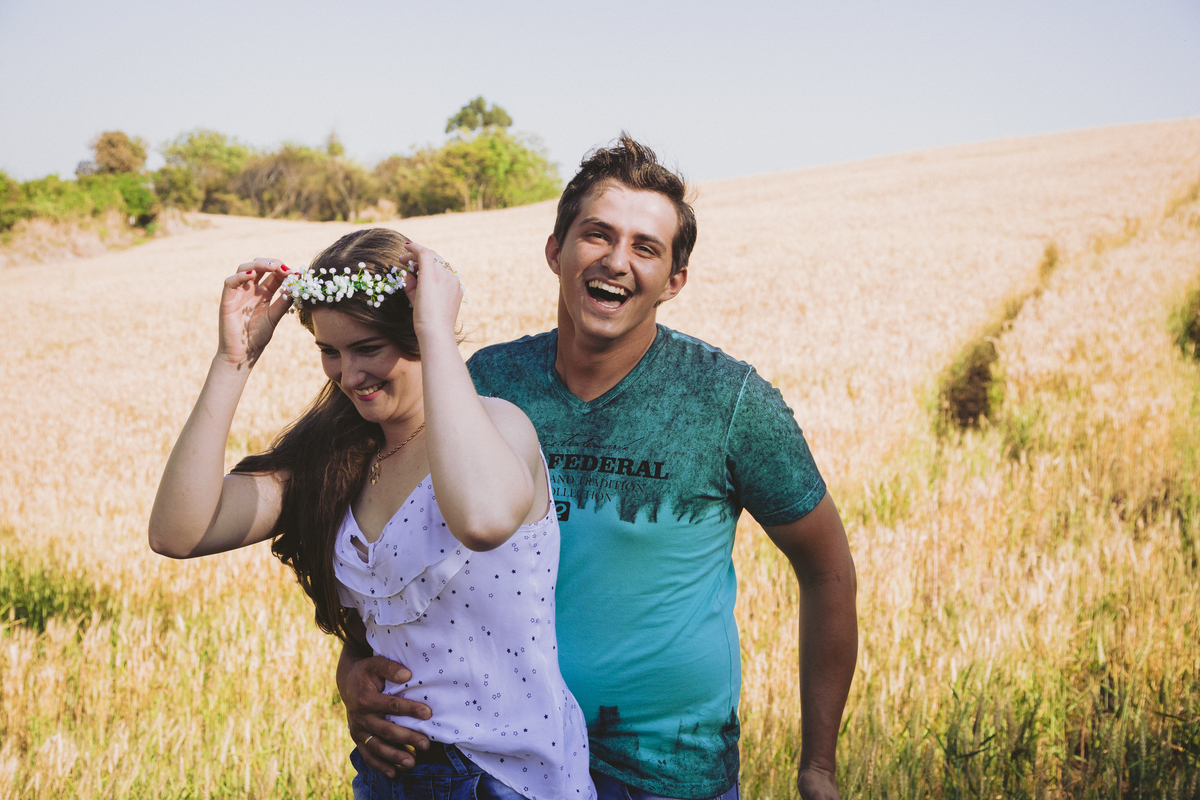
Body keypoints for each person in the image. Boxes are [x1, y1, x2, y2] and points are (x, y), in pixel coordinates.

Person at [339, 136, 859, 800]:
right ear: (555, 250)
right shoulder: (479, 385)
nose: (617, 261)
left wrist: (818, 765)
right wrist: (352, 665)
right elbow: (386, 545)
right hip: (492, 764)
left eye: (646, 247)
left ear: (675, 280)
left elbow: (828, 569)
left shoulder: (727, 401)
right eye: (597, 235)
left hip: (666, 776)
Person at [148, 228, 596, 800]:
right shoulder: (337, 458)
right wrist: (234, 361)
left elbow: (481, 521)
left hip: (511, 778)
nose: (347, 375)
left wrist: (436, 331)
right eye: (329, 352)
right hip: (391, 774)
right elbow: (176, 532)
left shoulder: (499, 427)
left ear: (416, 331)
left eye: (367, 348)